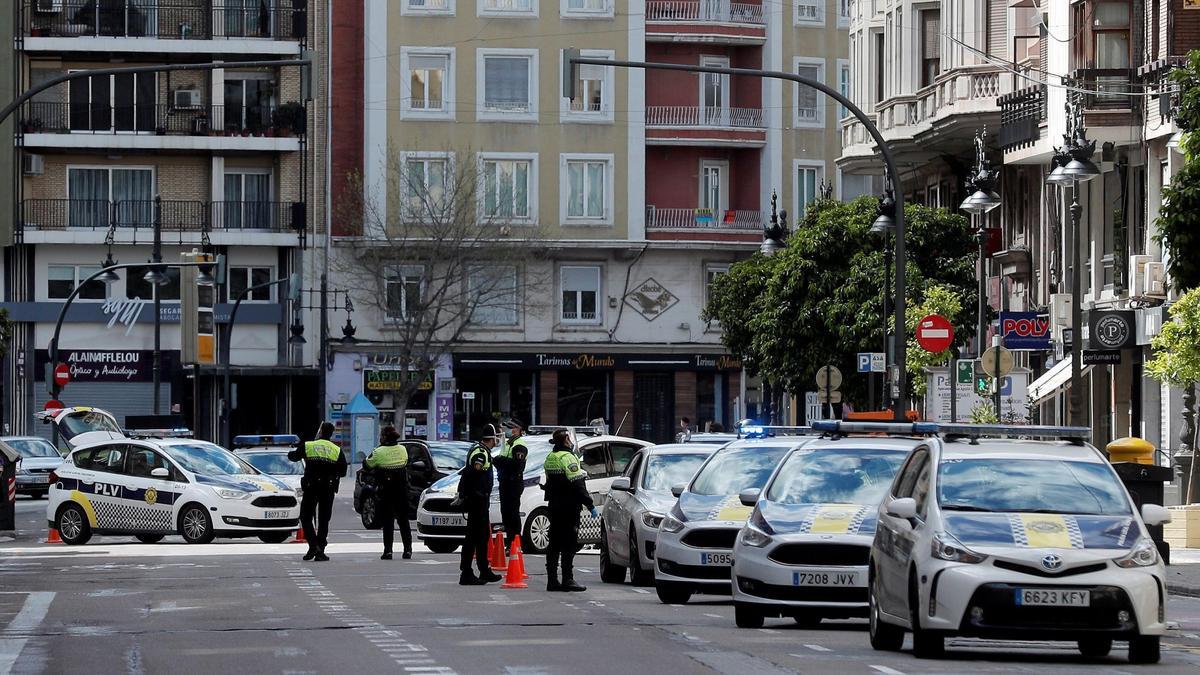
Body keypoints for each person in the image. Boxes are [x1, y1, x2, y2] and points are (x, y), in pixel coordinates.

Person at [543, 429, 594, 592]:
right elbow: (578, 484)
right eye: (569, 438)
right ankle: (568, 579)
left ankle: (552, 581)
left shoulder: (551, 457)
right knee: (569, 544)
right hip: (569, 507)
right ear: (565, 440)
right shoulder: (568, 458)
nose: (571, 441)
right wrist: (590, 505)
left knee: (554, 544)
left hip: (554, 506)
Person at [289, 421, 347, 562]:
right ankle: (320, 550)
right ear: (331, 433)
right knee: (324, 519)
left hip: (311, 486)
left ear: (320, 432)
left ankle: (313, 546)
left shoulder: (309, 445)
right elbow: (343, 471)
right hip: (328, 488)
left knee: (306, 516)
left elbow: (293, 457)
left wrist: (296, 449)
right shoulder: (336, 449)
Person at [457, 424, 504, 586]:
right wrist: (473, 494)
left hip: (480, 500)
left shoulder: (480, 450)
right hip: (477, 501)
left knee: (482, 536)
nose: (498, 439)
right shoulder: (480, 453)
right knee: (473, 538)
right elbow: (472, 474)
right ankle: (467, 573)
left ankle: (484, 570)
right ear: (492, 438)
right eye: (497, 436)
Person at [364, 425, 412, 560]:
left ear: (384, 437)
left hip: (385, 490)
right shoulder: (403, 449)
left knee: (388, 521)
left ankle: (388, 551)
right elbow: (405, 462)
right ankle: (408, 550)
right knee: (403, 520)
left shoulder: (378, 452)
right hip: (401, 489)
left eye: (381, 435)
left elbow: (367, 465)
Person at [493, 417, 530, 552]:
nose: (507, 430)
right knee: (506, 514)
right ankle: (510, 543)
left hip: (513, 483)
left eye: (510, 427)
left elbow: (517, 465)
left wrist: (499, 460)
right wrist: (500, 461)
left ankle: (515, 543)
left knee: (512, 514)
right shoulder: (508, 444)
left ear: (517, 430)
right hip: (505, 482)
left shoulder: (519, 445)